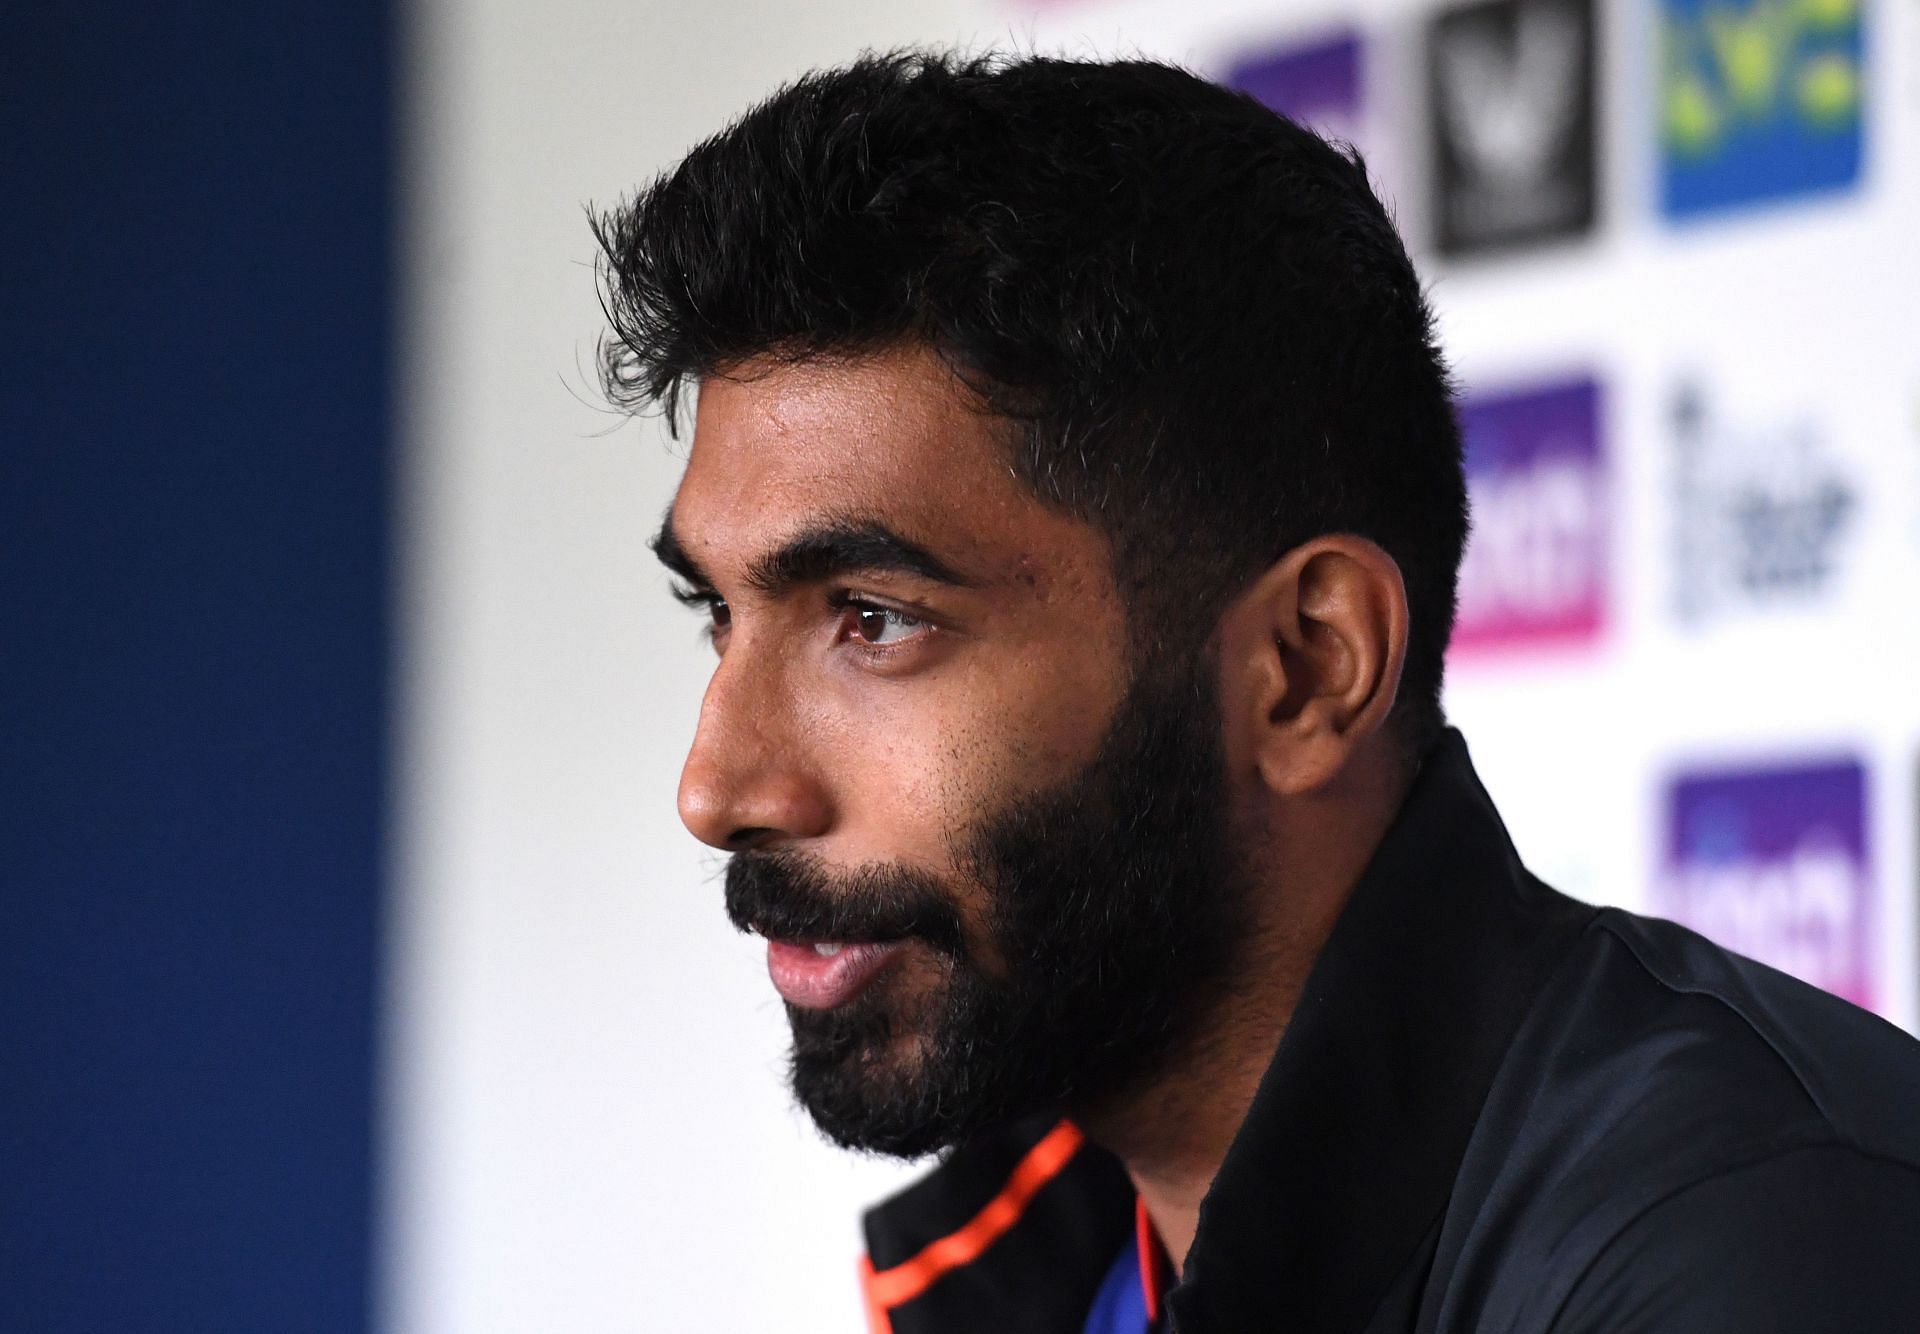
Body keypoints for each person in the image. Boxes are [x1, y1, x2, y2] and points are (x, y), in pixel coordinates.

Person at [592, 52, 1920, 1334]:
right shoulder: (1051, 1244)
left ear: (1304, 668)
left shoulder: (1746, 1240)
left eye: (872, 620)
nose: (716, 788)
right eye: (720, 611)